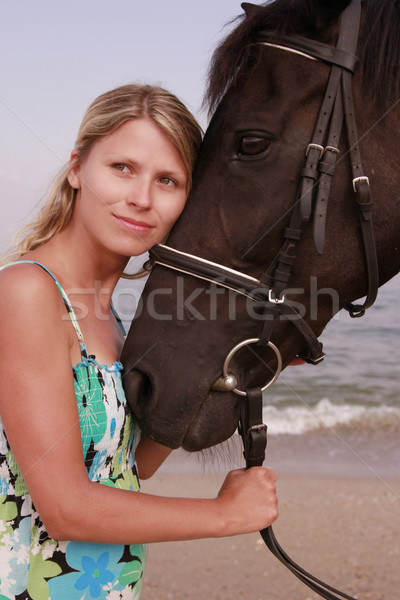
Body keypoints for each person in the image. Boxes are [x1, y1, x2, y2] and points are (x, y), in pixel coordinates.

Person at [0, 83, 278, 599]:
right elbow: (65, 507)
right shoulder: (27, 292)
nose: (142, 198)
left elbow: (131, 468)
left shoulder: (107, 319)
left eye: (168, 180)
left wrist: (237, 373)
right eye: (122, 168)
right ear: (77, 167)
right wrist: (222, 517)